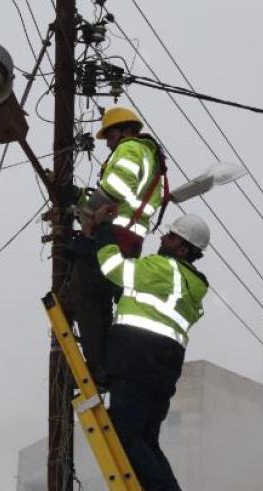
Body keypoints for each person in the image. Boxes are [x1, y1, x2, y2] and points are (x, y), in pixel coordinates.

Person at [93, 207, 210, 491]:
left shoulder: (163, 269)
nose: (163, 238)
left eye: (171, 236)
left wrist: (104, 230)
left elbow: (114, 269)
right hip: (163, 368)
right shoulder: (189, 284)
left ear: (182, 249)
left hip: (137, 360)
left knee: (125, 435)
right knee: (146, 439)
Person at [67, 106, 169, 384]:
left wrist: (87, 212)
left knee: (85, 294)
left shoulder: (131, 149)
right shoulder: (151, 159)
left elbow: (117, 189)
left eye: (110, 136)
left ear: (126, 131)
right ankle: (105, 365)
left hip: (111, 236)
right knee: (101, 299)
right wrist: (81, 200)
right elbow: (120, 199)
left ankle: (98, 367)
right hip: (127, 241)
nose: (108, 144)